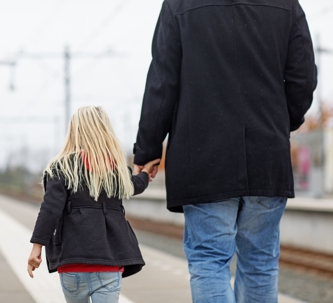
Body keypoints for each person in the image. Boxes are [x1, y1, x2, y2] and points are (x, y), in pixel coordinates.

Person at [133, 0, 317, 302]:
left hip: (202, 160)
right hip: (267, 158)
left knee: (209, 260)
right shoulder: (286, 4)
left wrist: (148, 149)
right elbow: (303, 79)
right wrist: (279, 122)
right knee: (260, 264)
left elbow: (162, 82)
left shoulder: (179, 4)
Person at [27, 106, 160, 303]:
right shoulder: (117, 170)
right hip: (108, 262)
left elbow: (50, 210)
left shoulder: (61, 167)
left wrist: (37, 247)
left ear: (74, 131)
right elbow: (134, 185)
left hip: (72, 264)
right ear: (105, 130)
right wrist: (144, 172)